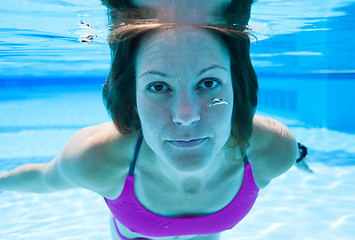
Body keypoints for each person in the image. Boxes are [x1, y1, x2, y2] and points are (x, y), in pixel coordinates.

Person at [0, 22, 299, 240]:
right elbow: (44, 178)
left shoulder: (275, 149)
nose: (186, 116)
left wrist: (300, 154)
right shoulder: (96, 159)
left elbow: (290, 150)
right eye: (158, 87)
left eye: (208, 83)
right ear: (132, 100)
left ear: (238, 87)